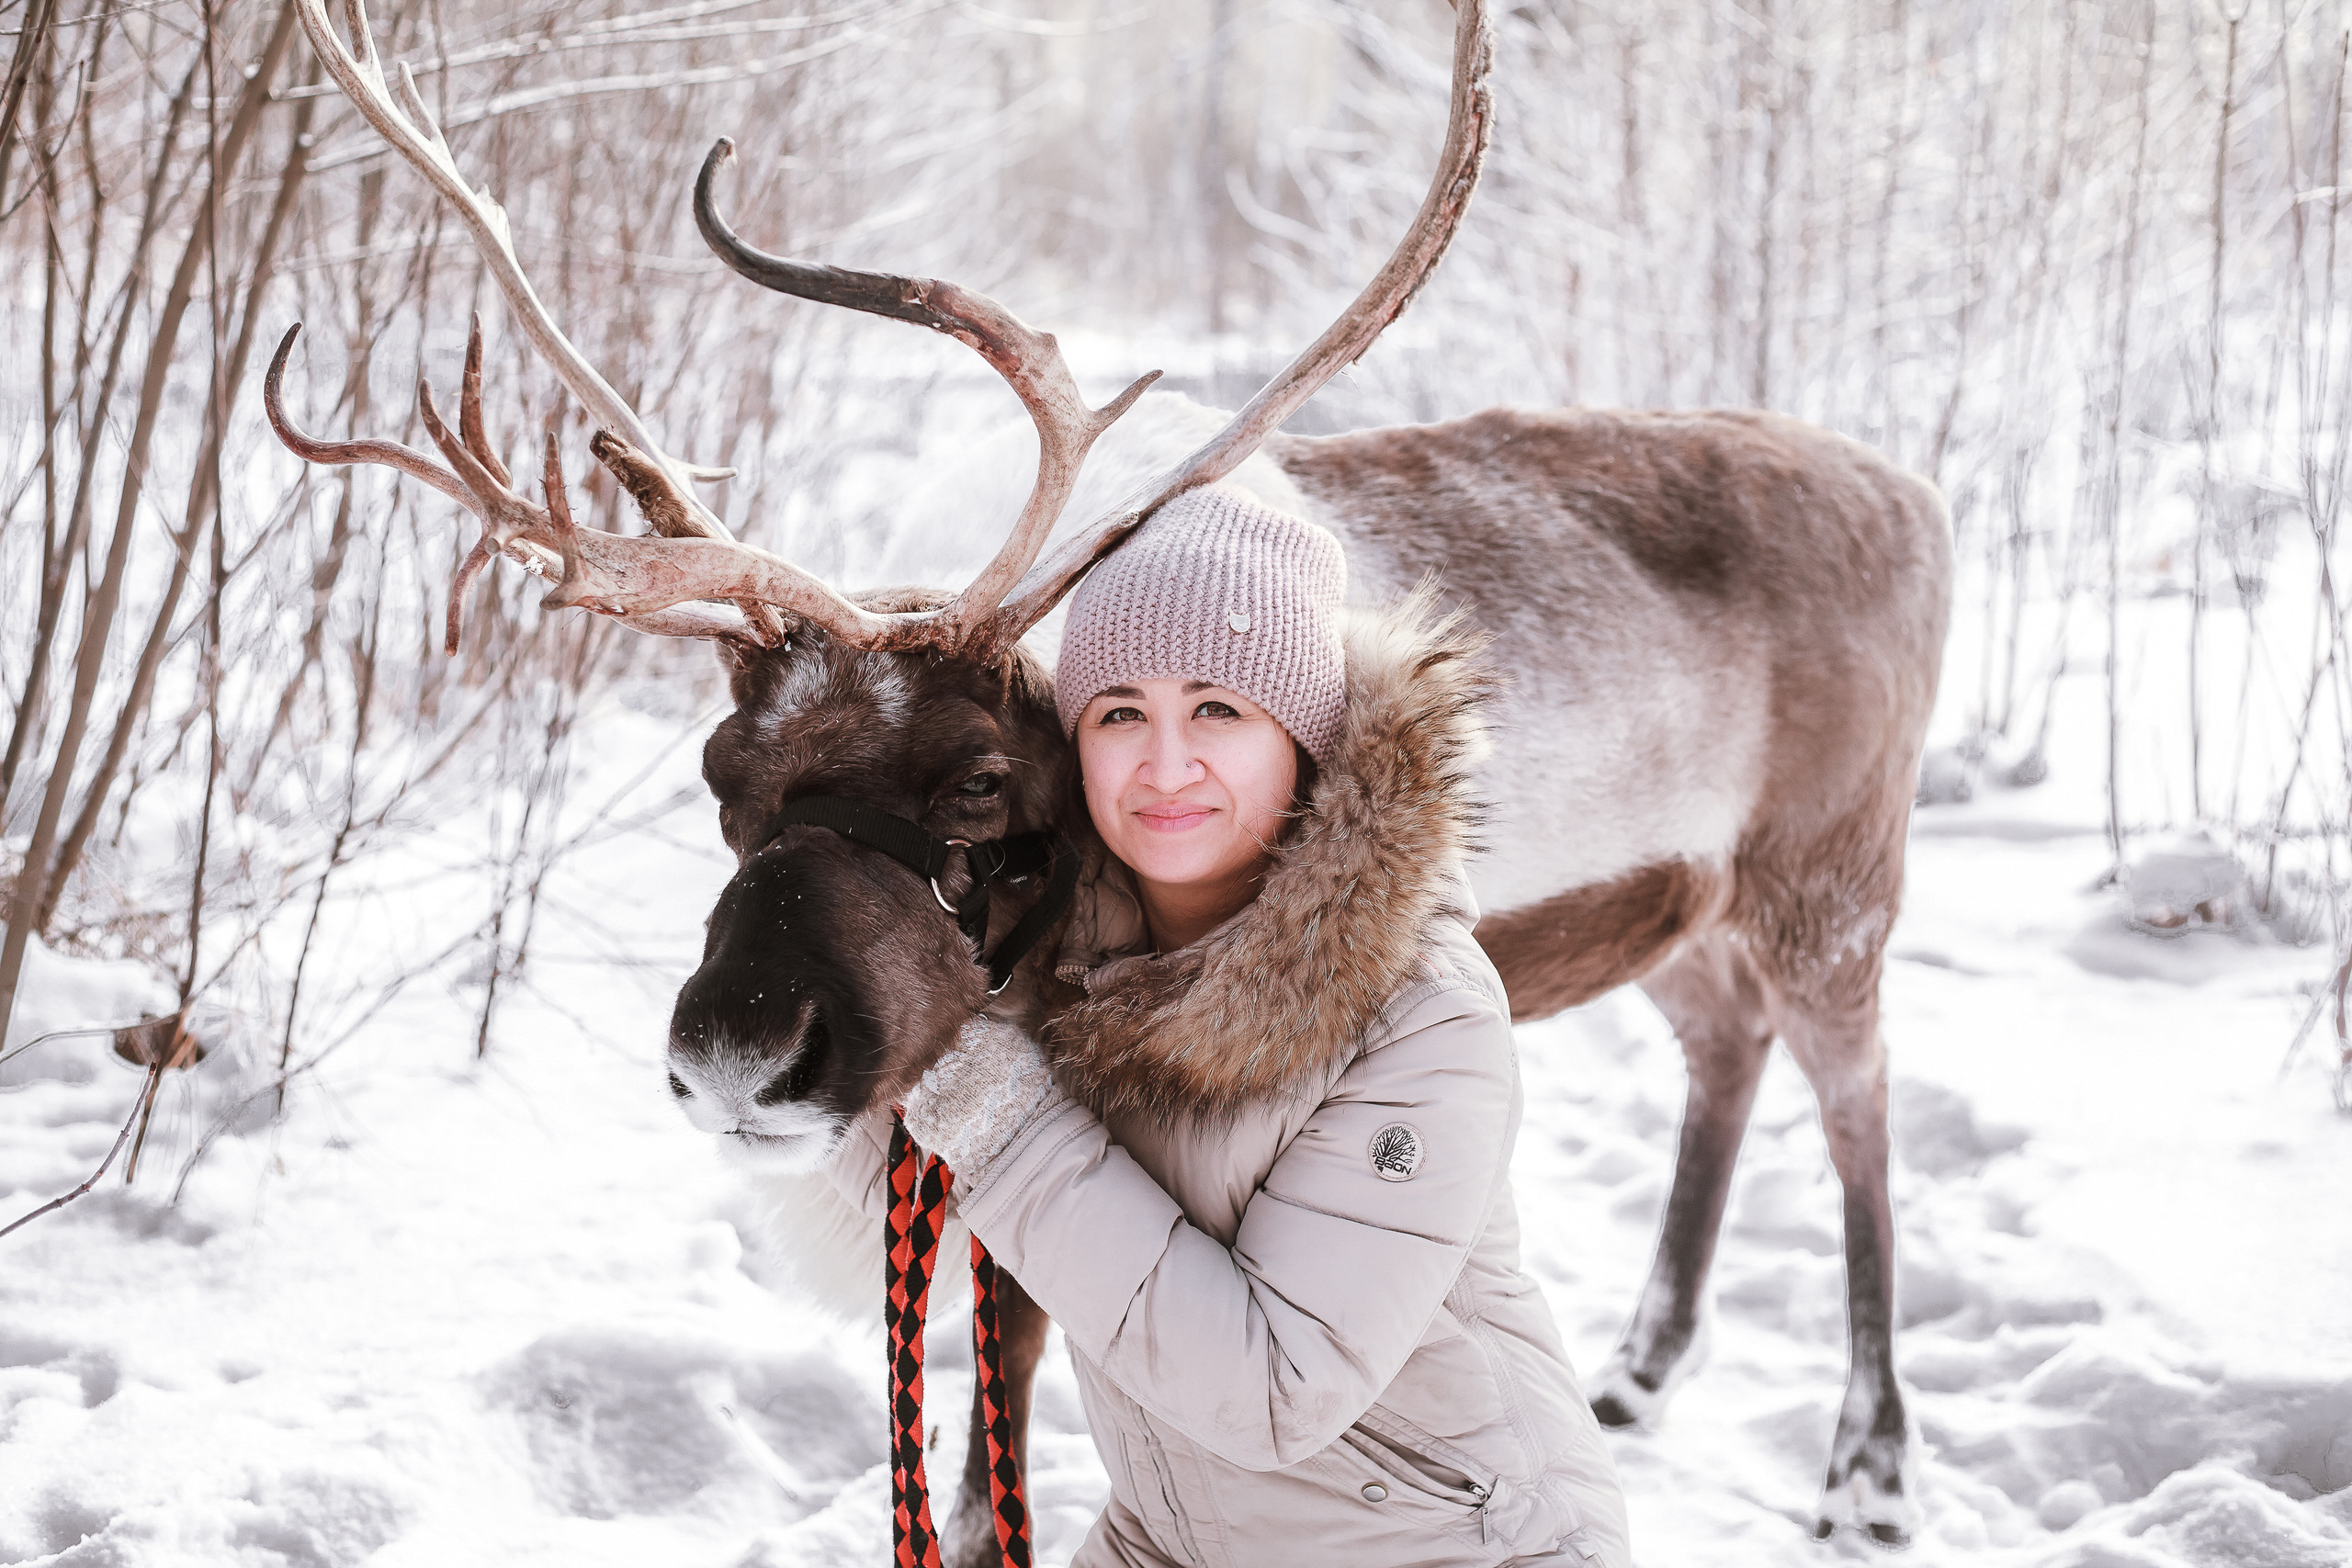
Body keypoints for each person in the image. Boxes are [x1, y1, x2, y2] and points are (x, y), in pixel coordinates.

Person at [825, 487, 1633, 1567]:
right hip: (1173, 1536)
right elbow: (911, 1194)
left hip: (1463, 1545)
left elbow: (1273, 1396)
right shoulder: (1058, 955)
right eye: (1120, 713)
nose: (1165, 767)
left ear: (1303, 735)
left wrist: (998, 1120)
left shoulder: (1422, 1018)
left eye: (1217, 709)